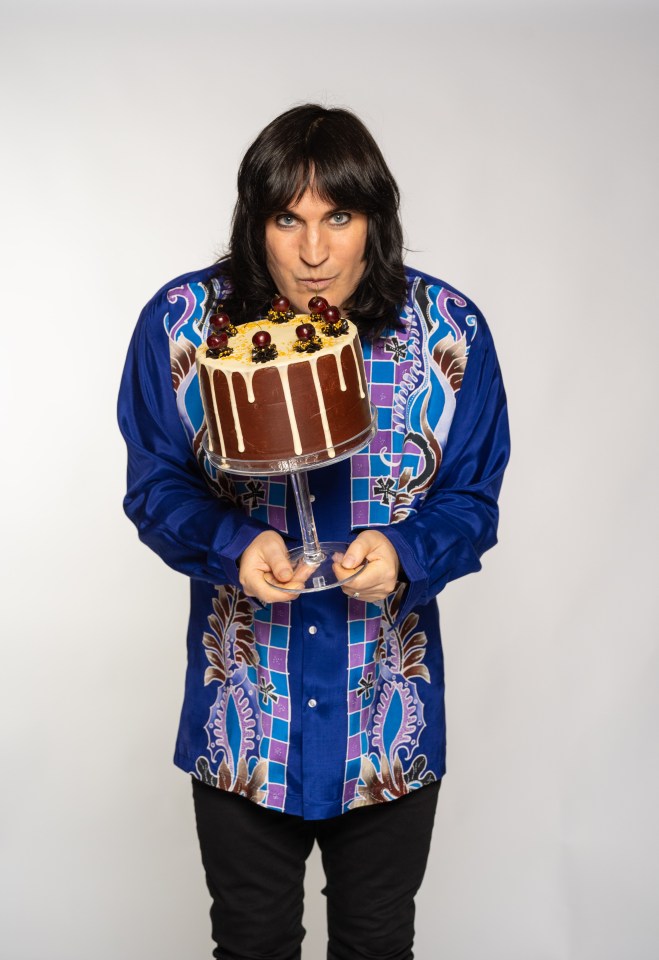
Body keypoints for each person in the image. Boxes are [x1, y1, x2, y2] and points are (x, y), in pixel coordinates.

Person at [118, 104, 510, 960]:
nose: (311, 250)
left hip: (387, 724)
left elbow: (473, 498)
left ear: (375, 218)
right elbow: (154, 485)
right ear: (254, 221)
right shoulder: (184, 326)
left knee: (377, 949)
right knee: (250, 947)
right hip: (244, 721)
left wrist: (405, 553)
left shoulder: (449, 331)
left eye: (338, 216)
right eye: (285, 218)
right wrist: (233, 545)